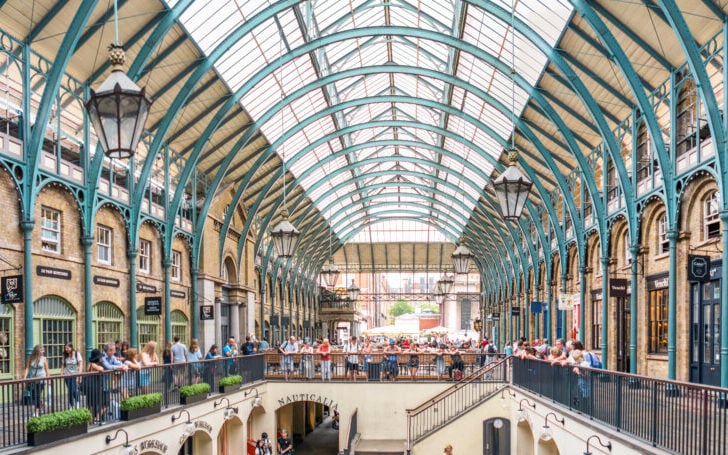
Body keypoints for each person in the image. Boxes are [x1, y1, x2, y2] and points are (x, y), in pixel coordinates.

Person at [23, 345, 49, 416]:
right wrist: (24, 377)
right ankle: (42, 403)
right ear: (37, 351)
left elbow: (47, 370)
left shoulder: (44, 359)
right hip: (33, 379)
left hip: (41, 380)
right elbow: (27, 368)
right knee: (34, 396)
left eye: (43, 350)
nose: (43, 351)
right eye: (42, 350)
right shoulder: (31, 358)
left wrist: (48, 379)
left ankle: (36, 412)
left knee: (37, 395)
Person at [86, 349, 109, 425]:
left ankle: (92, 421)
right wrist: (101, 365)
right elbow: (101, 369)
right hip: (94, 387)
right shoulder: (93, 364)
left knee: (91, 405)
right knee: (104, 403)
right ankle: (96, 419)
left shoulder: (89, 364)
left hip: (90, 387)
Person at [61, 341, 82, 408]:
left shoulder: (76, 354)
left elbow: (80, 365)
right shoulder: (65, 355)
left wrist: (78, 376)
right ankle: (71, 405)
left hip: (75, 375)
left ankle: (77, 402)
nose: (66, 350)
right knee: (70, 390)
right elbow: (63, 365)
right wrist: (61, 374)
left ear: (71, 347)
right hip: (67, 375)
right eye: (65, 348)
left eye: (68, 348)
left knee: (74, 390)